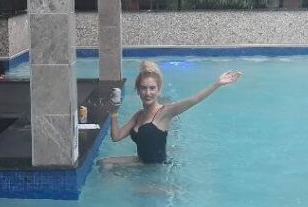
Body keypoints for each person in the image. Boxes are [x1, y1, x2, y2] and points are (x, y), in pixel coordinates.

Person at [103, 60, 241, 166]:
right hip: (141, 163)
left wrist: (217, 83)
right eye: (144, 88)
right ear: (138, 91)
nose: (148, 93)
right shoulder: (138, 115)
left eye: (152, 88)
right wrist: (114, 113)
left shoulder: (165, 112)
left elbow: (194, 99)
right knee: (104, 164)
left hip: (157, 168)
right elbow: (116, 137)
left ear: (158, 90)